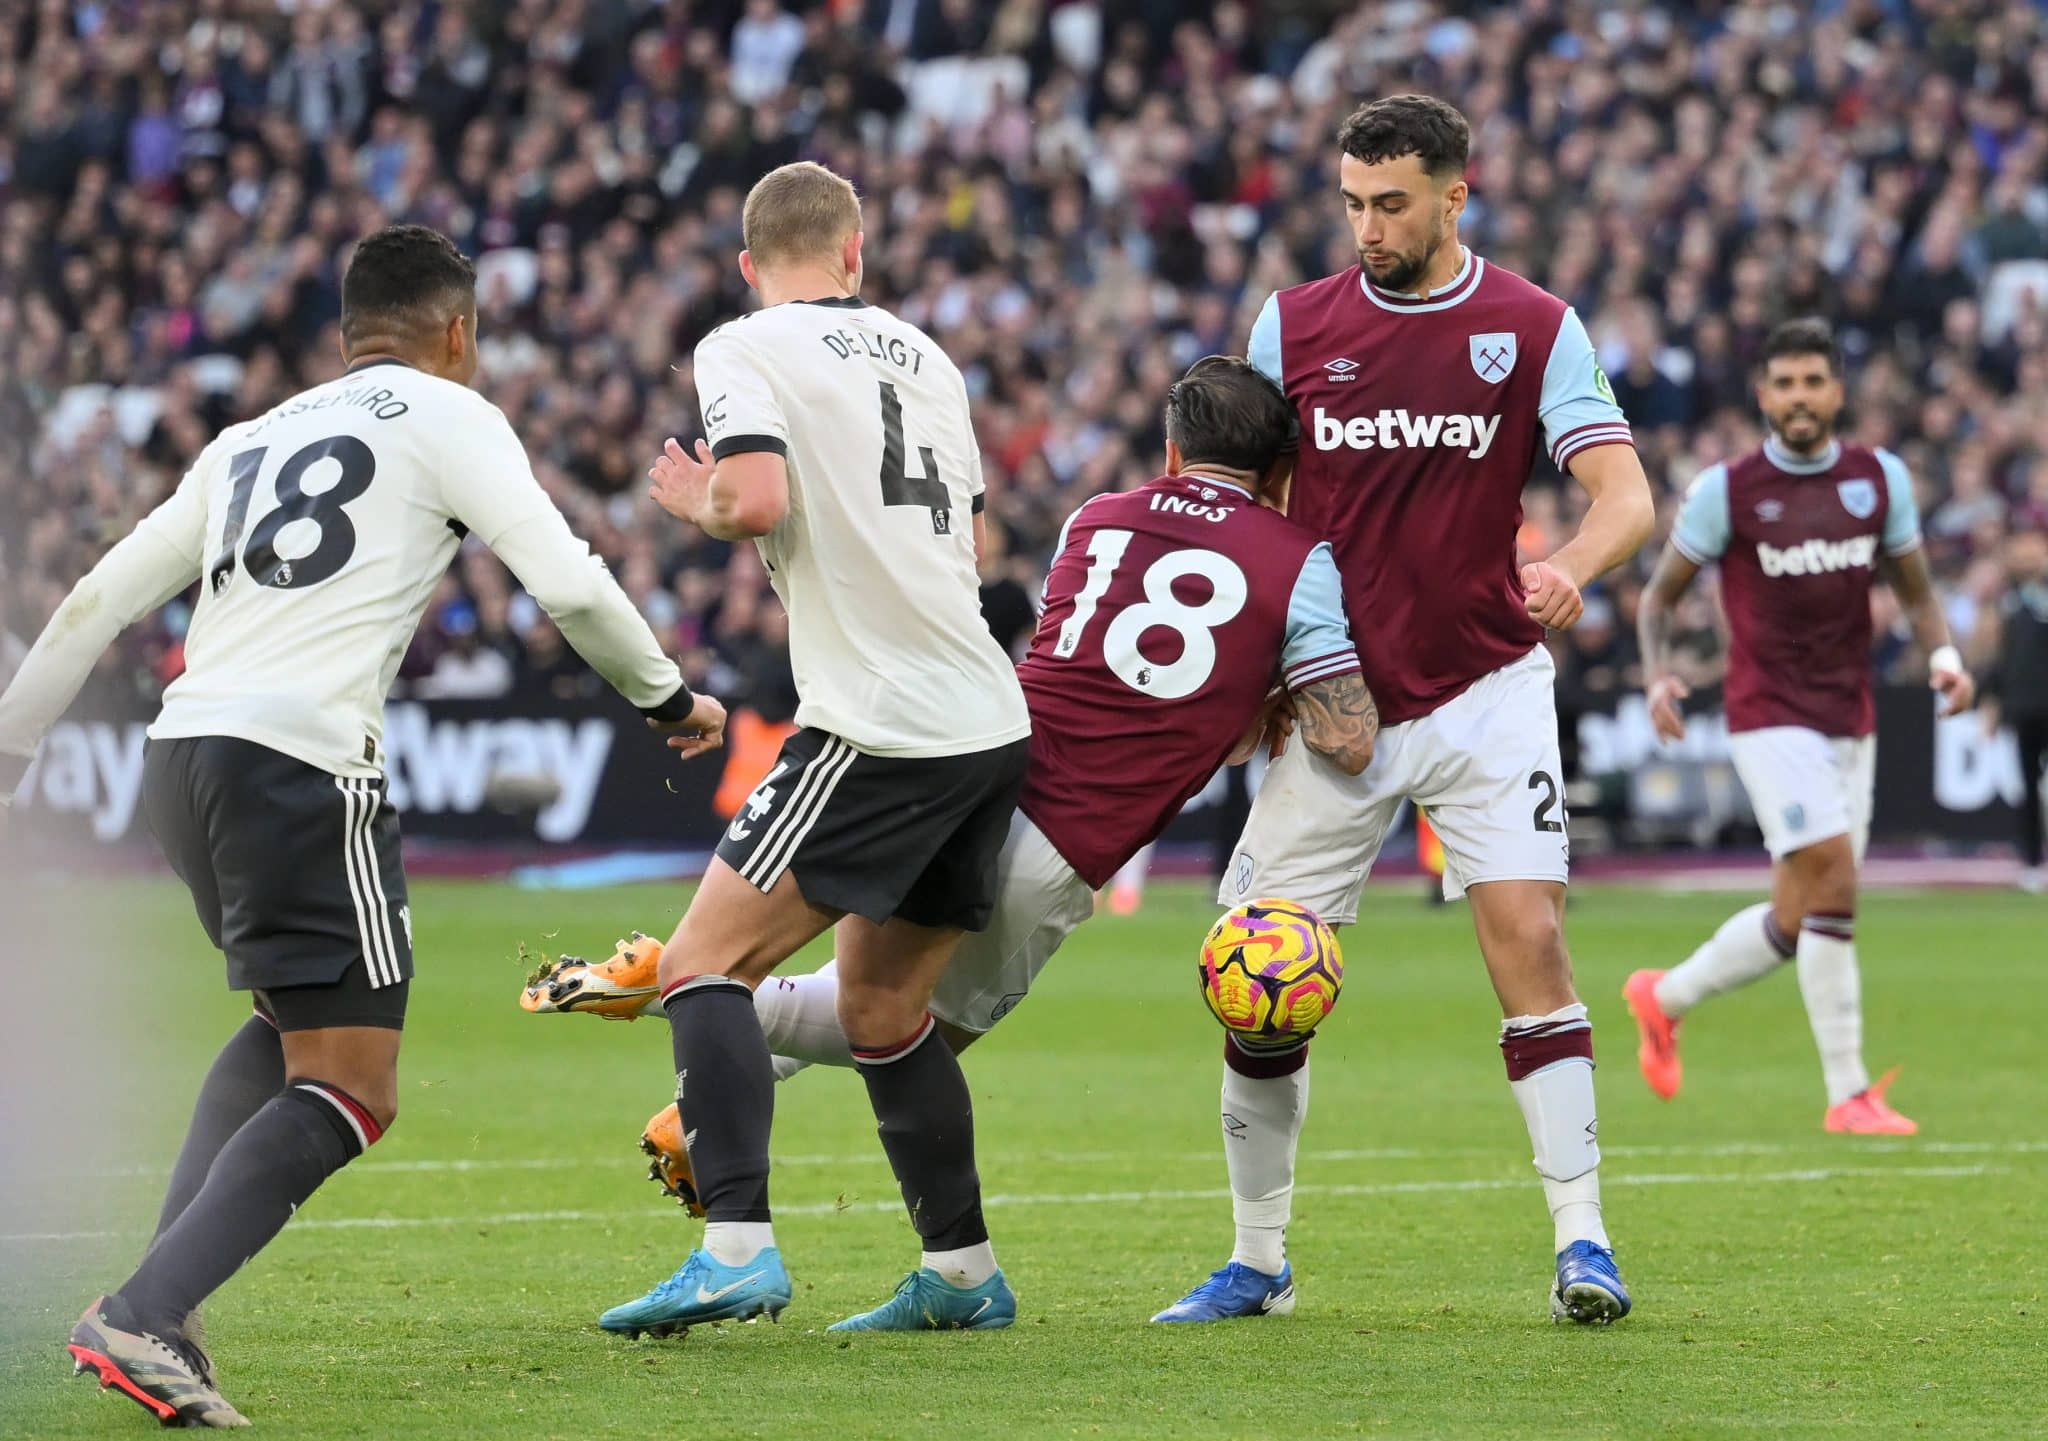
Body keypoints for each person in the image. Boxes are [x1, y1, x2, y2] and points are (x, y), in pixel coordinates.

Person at [0, 224, 723, 1428]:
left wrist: (10, 745)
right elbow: (572, 580)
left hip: (183, 756)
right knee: (355, 1085)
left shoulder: (248, 438)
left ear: (346, 337)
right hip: (300, 757)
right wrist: (667, 696)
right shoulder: (451, 415)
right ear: (458, 334)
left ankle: (162, 1309)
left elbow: (92, 598)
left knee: (291, 1025)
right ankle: (139, 1312)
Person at [526, 363, 1377, 1314]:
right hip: (1062, 840)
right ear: (1276, 471)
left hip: (977, 764)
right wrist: (1280, 690)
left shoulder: (1097, 516)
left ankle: (703, 1032)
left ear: (1174, 451)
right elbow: (1347, 741)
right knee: (899, 1031)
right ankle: (676, 986)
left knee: (881, 1007)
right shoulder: (1298, 558)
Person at [1177, 94, 1656, 1326]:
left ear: (1456, 194)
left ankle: (1583, 1241)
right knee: (1253, 976)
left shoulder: (1530, 325)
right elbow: (1249, 511)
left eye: (1389, 203)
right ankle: (1257, 1257)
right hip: (1336, 701)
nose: (1365, 226)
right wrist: (1259, 677)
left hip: (1486, 685)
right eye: (1350, 201)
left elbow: (1622, 496)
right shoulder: (1292, 323)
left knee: (1529, 942)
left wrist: (1569, 569)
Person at [594, 161, 1034, 1338]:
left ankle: (734, 1246)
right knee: (884, 1011)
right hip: (985, 721)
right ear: (855, 253)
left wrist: (694, 504)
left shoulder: (743, 345)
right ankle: (960, 1274)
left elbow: (748, 498)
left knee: (698, 966)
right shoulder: (929, 357)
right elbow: (972, 549)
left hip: (879, 722)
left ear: (749, 267)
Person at [1626, 320, 1976, 1131]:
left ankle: (1663, 995)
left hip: (1849, 714)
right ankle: (1849, 1093)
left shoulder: (1877, 481)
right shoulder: (1729, 490)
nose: (1799, 397)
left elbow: (1918, 591)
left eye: (1813, 381)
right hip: (1768, 713)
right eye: (1784, 383)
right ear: (1763, 395)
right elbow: (1660, 597)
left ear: (1837, 390)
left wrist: (1946, 656)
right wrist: (1657, 675)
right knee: (1836, 880)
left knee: (1798, 914)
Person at [1980, 527, 2048, 893]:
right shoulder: (2012, 598)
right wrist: (1992, 700)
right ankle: (2031, 863)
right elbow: (2005, 657)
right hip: (2023, 705)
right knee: (2027, 788)